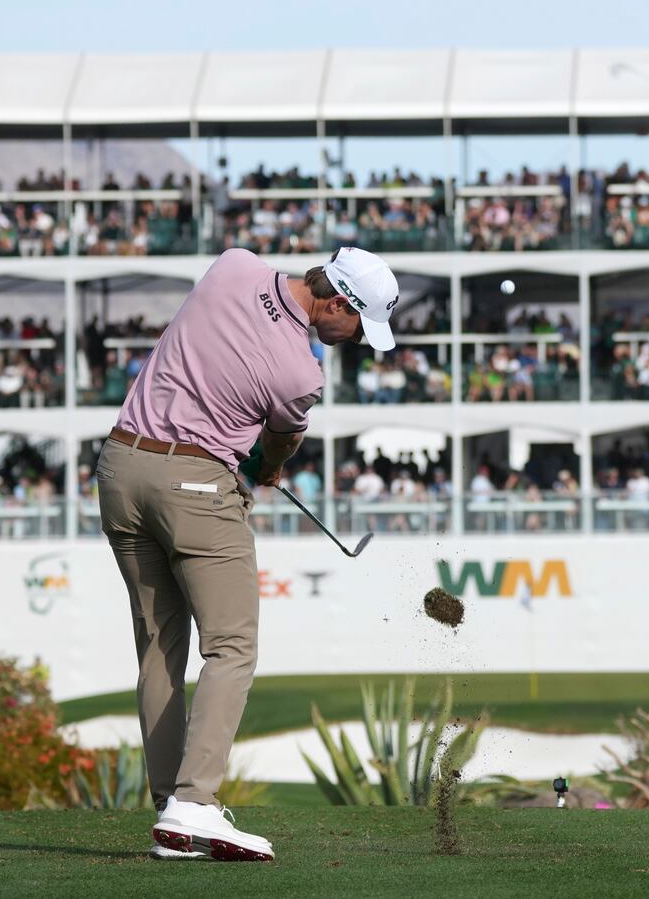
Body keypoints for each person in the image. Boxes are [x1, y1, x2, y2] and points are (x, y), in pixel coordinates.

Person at [100, 245, 398, 862]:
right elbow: (278, 445)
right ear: (337, 302)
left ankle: (171, 812)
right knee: (232, 647)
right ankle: (195, 804)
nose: (358, 341)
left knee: (159, 646)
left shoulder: (233, 264)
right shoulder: (301, 375)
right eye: (359, 327)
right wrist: (263, 469)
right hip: (194, 486)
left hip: (120, 470)